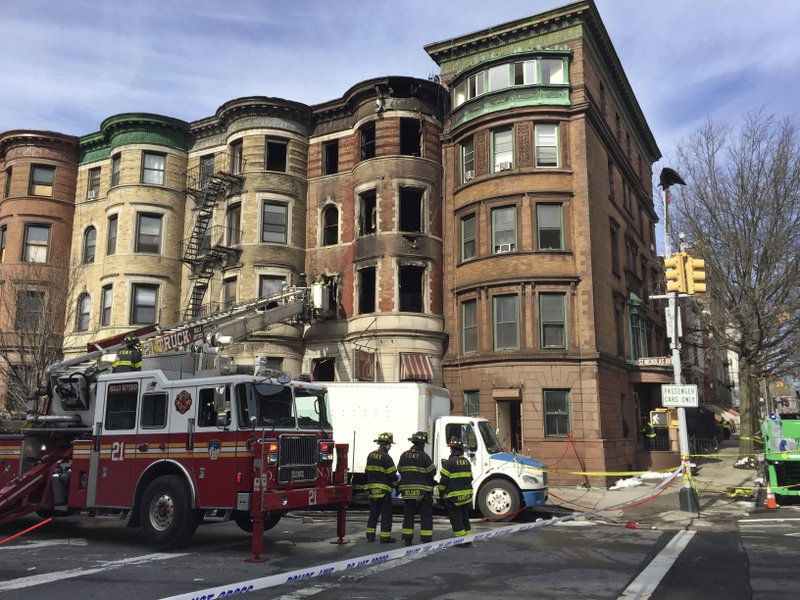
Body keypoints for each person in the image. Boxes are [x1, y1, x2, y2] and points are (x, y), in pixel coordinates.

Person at [397, 431, 436, 546]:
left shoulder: (404, 455)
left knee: (408, 514)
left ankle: (407, 539)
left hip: (407, 491)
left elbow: (400, 469)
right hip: (423, 492)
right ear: (423, 444)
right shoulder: (424, 456)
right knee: (426, 514)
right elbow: (432, 472)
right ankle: (426, 538)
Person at [365, 432, 399, 543]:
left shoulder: (370, 455)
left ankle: (370, 536)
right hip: (384, 492)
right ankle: (385, 537)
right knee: (386, 515)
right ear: (387, 445)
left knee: (373, 514)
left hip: (372, 492)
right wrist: (397, 486)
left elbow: (367, 471)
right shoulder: (386, 457)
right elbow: (392, 475)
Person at [438, 437, 473, 546]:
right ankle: (468, 539)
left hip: (453, 497)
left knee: (456, 518)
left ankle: (460, 540)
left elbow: (443, 481)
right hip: (466, 496)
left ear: (452, 450)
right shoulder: (467, 462)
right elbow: (470, 478)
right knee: (464, 517)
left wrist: (441, 493)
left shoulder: (448, 463)